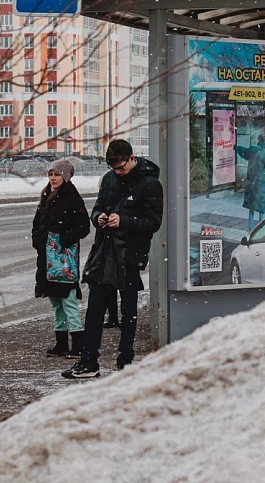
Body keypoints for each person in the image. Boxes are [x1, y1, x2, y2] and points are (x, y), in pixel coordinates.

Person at [63, 139, 163, 379]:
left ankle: (125, 361)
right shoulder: (109, 179)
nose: (118, 172)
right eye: (114, 169)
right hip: (106, 251)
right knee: (95, 307)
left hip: (130, 253)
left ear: (131, 158)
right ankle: (89, 361)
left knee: (128, 310)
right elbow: (97, 209)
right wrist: (99, 217)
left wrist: (125, 221)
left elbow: (154, 222)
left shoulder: (150, 184)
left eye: (121, 168)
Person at [32, 160, 91, 359]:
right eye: (50, 175)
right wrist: (38, 239)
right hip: (47, 257)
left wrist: (65, 239)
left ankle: (78, 343)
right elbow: (38, 221)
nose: (53, 178)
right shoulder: (46, 196)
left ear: (65, 176)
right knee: (55, 301)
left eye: (56, 174)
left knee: (68, 300)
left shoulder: (72, 198)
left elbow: (83, 226)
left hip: (64, 258)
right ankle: (61, 342)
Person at [236, 135, 265, 230]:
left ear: (258, 140)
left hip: (251, 180)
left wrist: (236, 147)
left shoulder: (253, 150)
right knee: (261, 206)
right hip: (261, 181)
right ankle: (260, 228)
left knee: (251, 206)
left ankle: (250, 229)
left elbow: (244, 152)